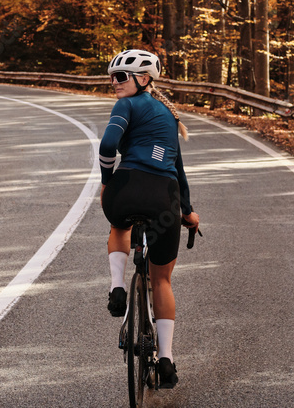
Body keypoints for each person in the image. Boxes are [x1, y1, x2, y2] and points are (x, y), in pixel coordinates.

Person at [99, 48, 199, 389]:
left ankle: (116, 287)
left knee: (119, 225)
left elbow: (109, 144)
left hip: (125, 189)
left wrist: (105, 181)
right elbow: (179, 171)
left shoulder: (126, 105)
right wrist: (187, 212)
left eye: (121, 77)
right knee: (162, 281)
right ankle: (167, 359)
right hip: (165, 199)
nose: (115, 83)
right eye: (111, 77)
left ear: (144, 80)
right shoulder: (170, 118)